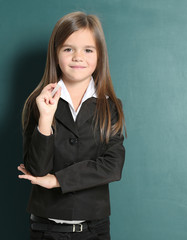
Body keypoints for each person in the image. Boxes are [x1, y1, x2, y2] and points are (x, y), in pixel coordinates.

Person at [17, 11, 126, 240]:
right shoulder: (37, 102)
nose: (78, 57)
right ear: (56, 54)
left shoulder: (111, 107)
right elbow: (36, 171)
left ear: (99, 56)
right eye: (68, 49)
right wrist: (45, 119)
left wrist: (57, 180)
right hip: (46, 229)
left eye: (88, 50)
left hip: (94, 230)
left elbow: (112, 166)